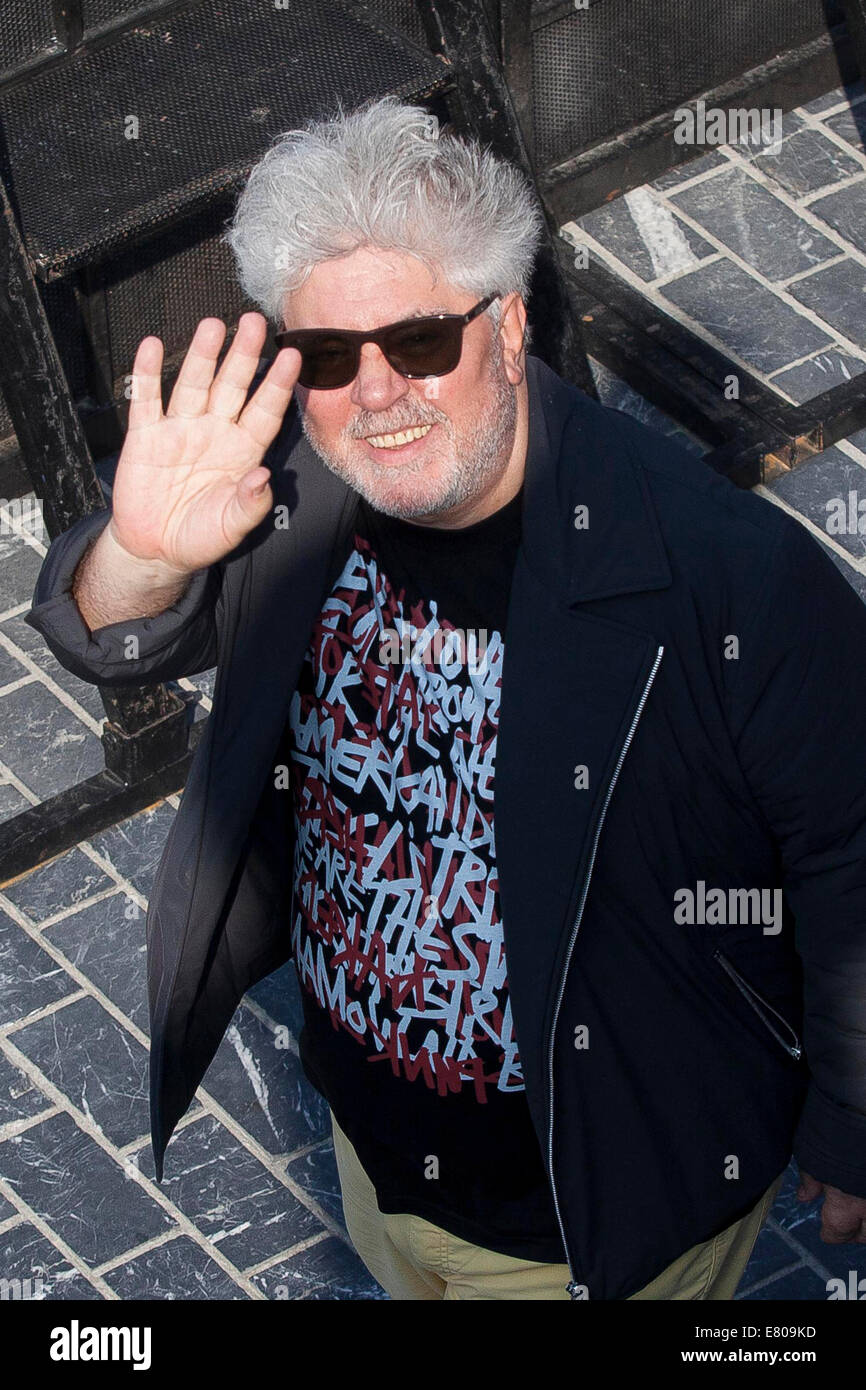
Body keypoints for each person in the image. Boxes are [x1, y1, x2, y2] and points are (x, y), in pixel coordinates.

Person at [26, 96, 866, 1301]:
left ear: (509, 320)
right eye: (325, 357)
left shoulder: (726, 573)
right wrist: (146, 555)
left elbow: (849, 845)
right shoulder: (289, 495)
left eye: (419, 341)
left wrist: (847, 1115)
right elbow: (108, 631)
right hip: (372, 1158)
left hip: (587, 1213)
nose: (374, 393)